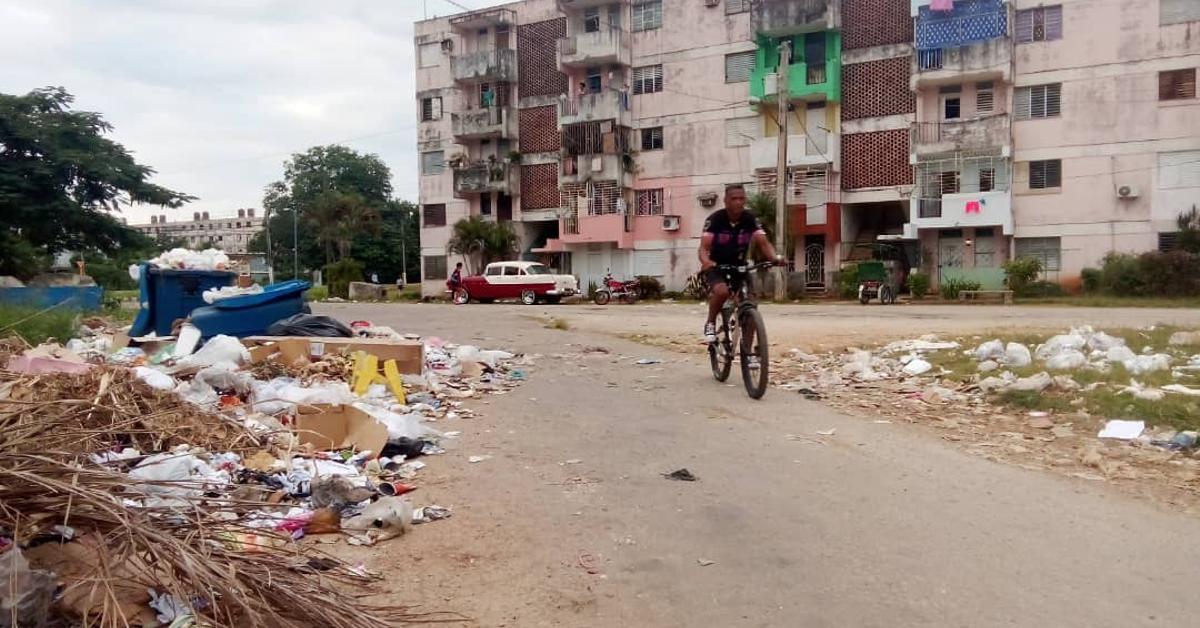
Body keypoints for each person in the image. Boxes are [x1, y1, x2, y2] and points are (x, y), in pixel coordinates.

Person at [698, 184, 782, 343]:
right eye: (734, 199)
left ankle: (749, 354)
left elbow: (763, 243)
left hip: (740, 266)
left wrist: (774, 258)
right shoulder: (715, 219)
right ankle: (710, 322)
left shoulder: (749, 219)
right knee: (722, 292)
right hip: (717, 266)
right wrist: (706, 262)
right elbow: (703, 247)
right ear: (725, 201)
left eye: (741, 198)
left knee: (750, 305)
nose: (738, 202)